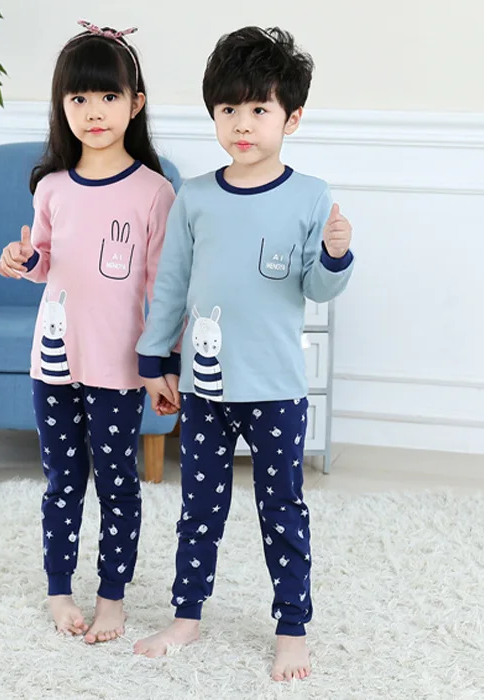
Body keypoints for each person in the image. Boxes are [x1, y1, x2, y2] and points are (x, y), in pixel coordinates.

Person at [133, 26, 354, 681]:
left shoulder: (310, 195)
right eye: (228, 109)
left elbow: (316, 287)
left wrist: (335, 255)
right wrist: (155, 362)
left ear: (292, 118)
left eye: (260, 109)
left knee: (282, 511)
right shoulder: (195, 197)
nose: (242, 123)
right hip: (204, 391)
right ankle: (186, 616)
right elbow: (170, 286)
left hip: (277, 390)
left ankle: (292, 627)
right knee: (198, 512)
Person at [0, 21, 178, 643]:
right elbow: (45, 260)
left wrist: (163, 364)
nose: (94, 111)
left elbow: (163, 289)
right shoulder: (51, 187)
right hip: (53, 362)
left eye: (108, 96)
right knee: (62, 483)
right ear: (62, 105)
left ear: (136, 103)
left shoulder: (154, 192)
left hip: (118, 368)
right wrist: (22, 260)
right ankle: (58, 589)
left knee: (118, 485)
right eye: (79, 98)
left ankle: (112, 598)